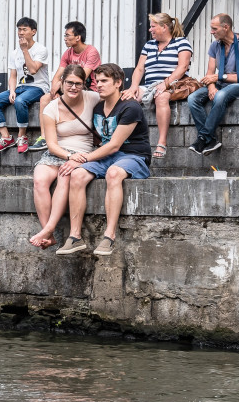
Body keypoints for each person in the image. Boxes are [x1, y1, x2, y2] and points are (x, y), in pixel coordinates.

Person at [57, 63, 152, 257]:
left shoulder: (130, 107)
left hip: (133, 156)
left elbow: (115, 145)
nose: (98, 85)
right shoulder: (98, 107)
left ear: (118, 83)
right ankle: (75, 237)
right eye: (96, 81)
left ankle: (109, 236)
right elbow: (102, 141)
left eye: (104, 81)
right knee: (77, 175)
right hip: (107, 155)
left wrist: (81, 158)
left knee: (114, 173)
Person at [28, 65, 102, 249]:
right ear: (61, 83)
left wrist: (130, 93)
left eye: (78, 84)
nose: (73, 87)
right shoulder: (51, 109)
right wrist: (70, 156)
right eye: (69, 83)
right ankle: (49, 234)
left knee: (64, 176)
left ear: (84, 85)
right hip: (58, 152)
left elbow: (113, 96)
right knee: (39, 180)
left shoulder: (92, 98)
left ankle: (47, 230)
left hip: (83, 151)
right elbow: (52, 145)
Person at [122, 13, 193, 160]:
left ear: (164, 27)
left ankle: (161, 142)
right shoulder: (149, 45)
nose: (150, 30)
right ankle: (122, 141)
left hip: (173, 84)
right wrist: (134, 86)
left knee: (161, 97)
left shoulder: (181, 42)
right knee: (126, 99)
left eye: (153, 26)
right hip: (149, 85)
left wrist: (165, 83)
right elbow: (140, 69)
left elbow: (183, 66)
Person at [188, 14, 239, 155]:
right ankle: (211, 140)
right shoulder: (215, 46)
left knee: (220, 96)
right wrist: (211, 86)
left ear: (226, 27)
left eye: (214, 28)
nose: (211, 32)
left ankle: (203, 137)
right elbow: (210, 73)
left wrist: (219, 77)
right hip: (219, 85)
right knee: (192, 99)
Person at [30, 21, 102, 151]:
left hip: (88, 89)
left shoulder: (91, 52)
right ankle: (44, 138)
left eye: (67, 35)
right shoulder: (68, 53)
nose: (65, 39)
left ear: (78, 37)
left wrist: (61, 87)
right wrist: (55, 91)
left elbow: (81, 78)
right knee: (45, 99)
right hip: (69, 89)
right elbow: (57, 76)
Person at [0, 17, 50, 153]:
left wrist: (25, 50)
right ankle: (6, 137)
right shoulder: (14, 53)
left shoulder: (41, 49)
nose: (20, 33)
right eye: (19, 30)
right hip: (20, 87)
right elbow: (13, 75)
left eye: (24, 30)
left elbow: (33, 70)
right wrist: (12, 91)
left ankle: (22, 136)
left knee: (20, 102)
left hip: (38, 87)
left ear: (33, 31)